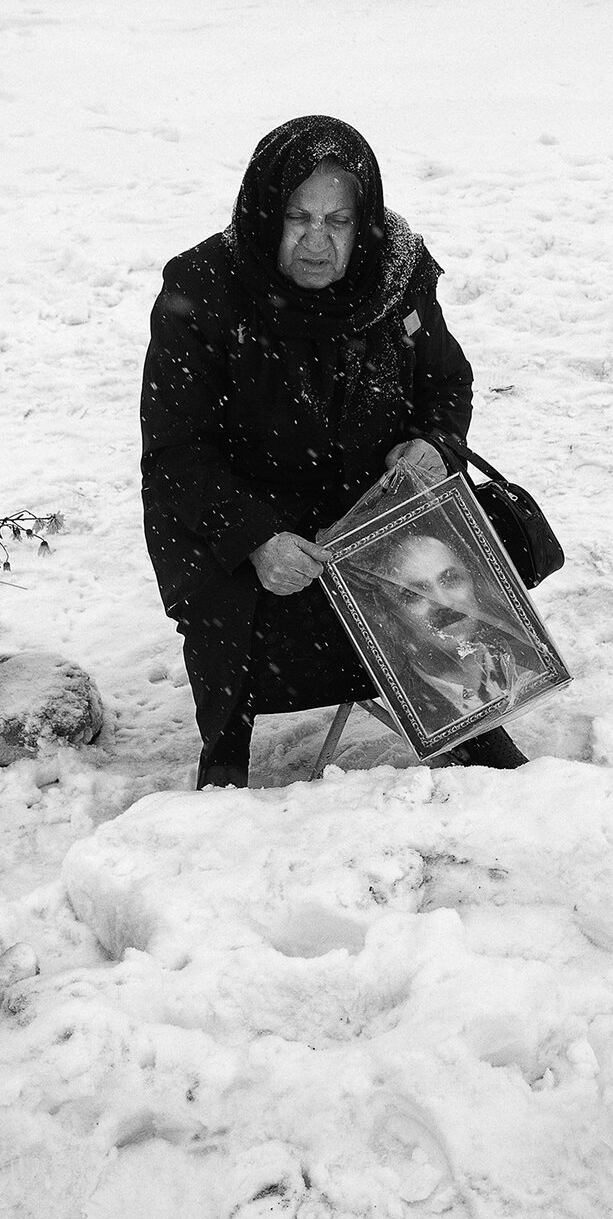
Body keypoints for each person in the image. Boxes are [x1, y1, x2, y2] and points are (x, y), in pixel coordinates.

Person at [140, 116, 531, 788]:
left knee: (447, 569)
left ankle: (464, 707)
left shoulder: (396, 275)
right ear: (264, 213)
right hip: (262, 539)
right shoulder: (205, 292)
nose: (315, 241)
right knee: (236, 617)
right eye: (296, 216)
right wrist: (259, 538)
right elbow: (177, 454)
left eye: (338, 220)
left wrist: (434, 445)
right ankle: (228, 747)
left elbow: (446, 383)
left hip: (372, 520)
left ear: (364, 222)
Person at [368, 531, 538, 735]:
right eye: (414, 594)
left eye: (450, 579)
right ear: (390, 616)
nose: (443, 603)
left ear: (472, 582)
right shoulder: (397, 724)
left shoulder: (531, 669)